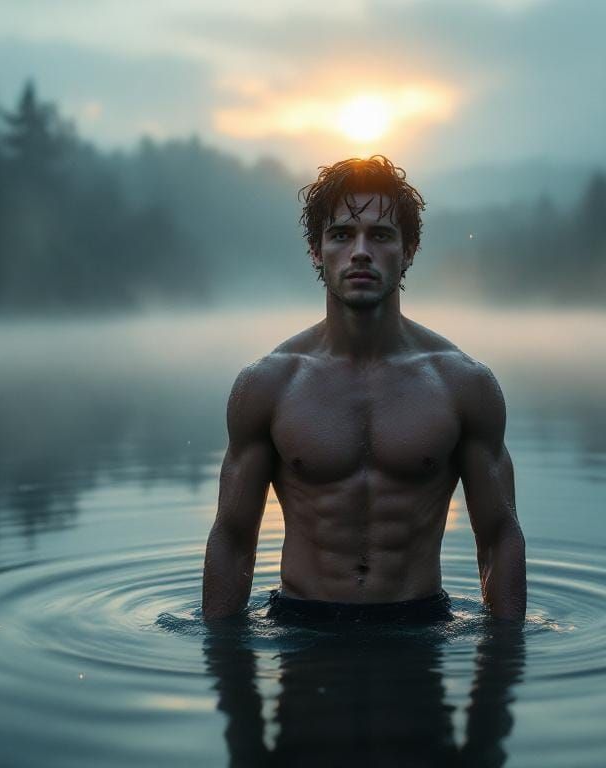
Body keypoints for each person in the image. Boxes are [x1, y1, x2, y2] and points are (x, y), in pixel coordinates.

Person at [201, 155, 526, 622]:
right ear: (317, 250)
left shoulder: (462, 384)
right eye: (341, 235)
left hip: (419, 626)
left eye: (380, 235)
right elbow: (232, 539)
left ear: (408, 249)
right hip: (301, 626)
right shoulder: (269, 384)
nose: (359, 252)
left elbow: (499, 537)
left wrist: (503, 671)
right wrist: (225, 669)